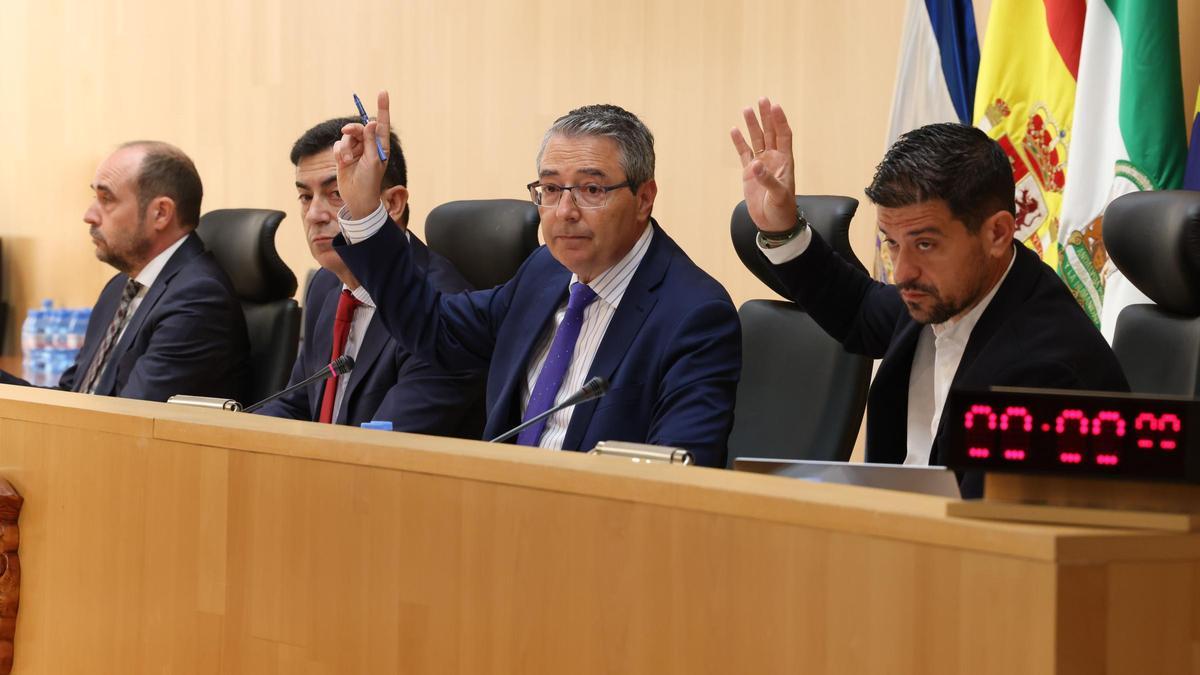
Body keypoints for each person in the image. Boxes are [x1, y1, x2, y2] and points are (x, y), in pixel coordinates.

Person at [730, 98, 1129, 497]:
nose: (902, 272)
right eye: (892, 244)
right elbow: (859, 310)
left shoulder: (1046, 373)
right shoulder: (946, 290)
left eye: (924, 244)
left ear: (997, 234)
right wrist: (782, 228)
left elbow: (989, 535)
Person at [329, 93, 741, 466]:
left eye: (592, 189)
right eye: (550, 188)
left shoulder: (694, 315)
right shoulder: (545, 270)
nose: (564, 211)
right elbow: (432, 326)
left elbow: (683, 474)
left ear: (644, 199)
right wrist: (366, 211)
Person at [255, 118, 485, 436]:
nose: (314, 215)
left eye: (336, 193)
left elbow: (386, 446)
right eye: (306, 197)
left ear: (392, 203)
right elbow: (296, 405)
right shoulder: (325, 284)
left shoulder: (440, 309)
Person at [0, 141, 251, 402]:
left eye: (106, 199)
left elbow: (130, 424)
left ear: (161, 213)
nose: (89, 215)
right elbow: (74, 398)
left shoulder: (198, 299)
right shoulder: (119, 287)